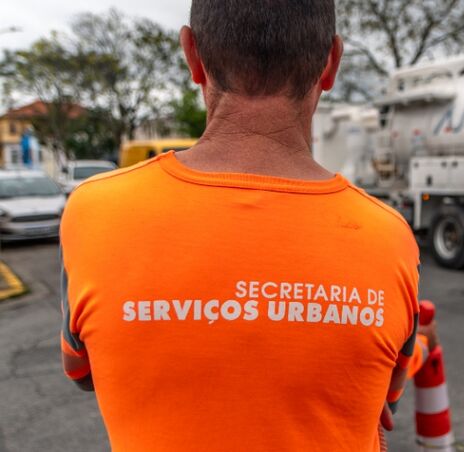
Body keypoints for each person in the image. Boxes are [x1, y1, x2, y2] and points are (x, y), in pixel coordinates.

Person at [59, 1, 422, 450]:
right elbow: (386, 395)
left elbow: (80, 369)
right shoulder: (388, 236)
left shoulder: (94, 211)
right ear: (331, 63)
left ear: (192, 55)